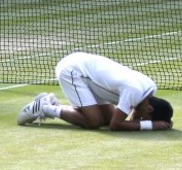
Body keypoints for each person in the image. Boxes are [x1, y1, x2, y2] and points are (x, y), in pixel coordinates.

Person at [16, 52, 174, 131]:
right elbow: (116, 125)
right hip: (73, 71)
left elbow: (127, 117)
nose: (140, 117)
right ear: (150, 108)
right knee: (94, 122)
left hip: (91, 77)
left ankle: (51, 102)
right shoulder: (134, 91)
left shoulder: (149, 88)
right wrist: (151, 125)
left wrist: (149, 120)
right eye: (145, 116)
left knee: (106, 118)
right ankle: (44, 107)